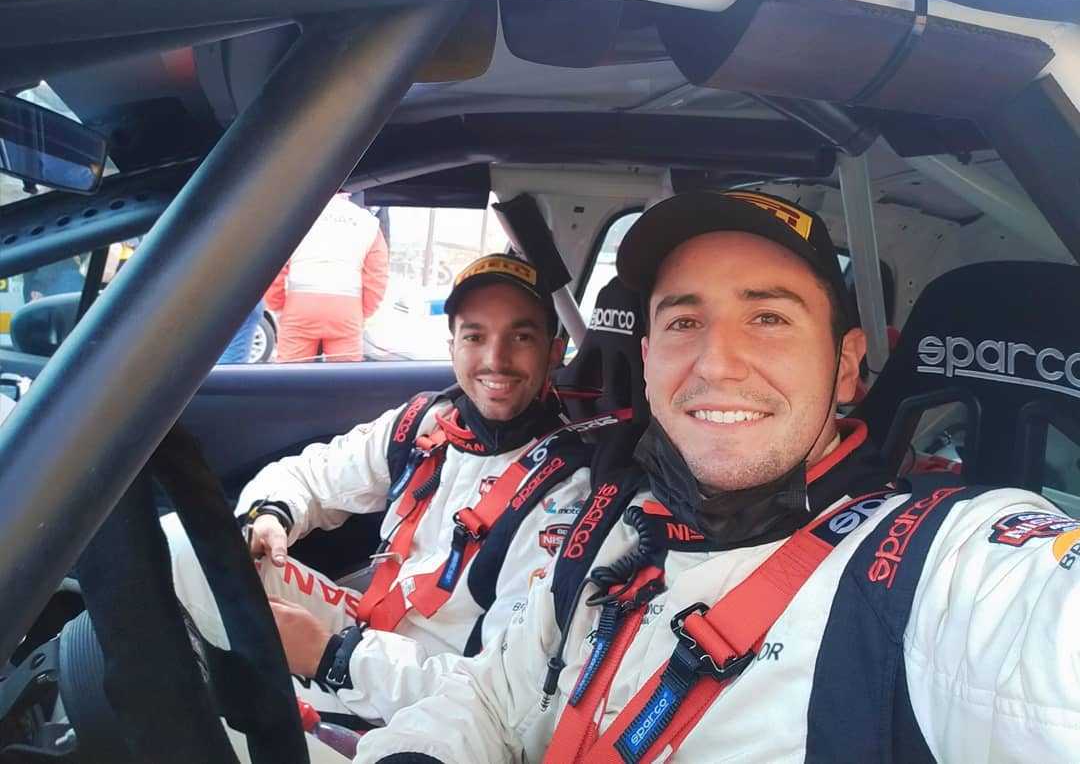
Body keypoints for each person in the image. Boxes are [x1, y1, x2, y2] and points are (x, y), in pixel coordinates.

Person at [355, 191, 1080, 763]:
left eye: (768, 319)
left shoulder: (938, 567)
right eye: (683, 322)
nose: (717, 363)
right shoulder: (613, 517)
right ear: (647, 360)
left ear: (847, 365)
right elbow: (491, 696)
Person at [164, 253, 610, 728]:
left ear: (554, 351)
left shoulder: (568, 493)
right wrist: (272, 515)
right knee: (187, 539)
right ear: (453, 346)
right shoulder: (424, 424)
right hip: (364, 636)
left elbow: (501, 692)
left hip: (439, 704)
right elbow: (310, 475)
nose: (495, 360)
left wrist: (333, 658)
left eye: (520, 337)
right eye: (475, 336)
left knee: (212, 723)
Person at [265, 194, 389, 362]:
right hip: (346, 309)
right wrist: (363, 312)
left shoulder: (294, 217)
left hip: (300, 306)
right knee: (344, 374)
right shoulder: (368, 223)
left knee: (291, 372)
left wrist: (278, 307)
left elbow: (273, 268)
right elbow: (377, 275)